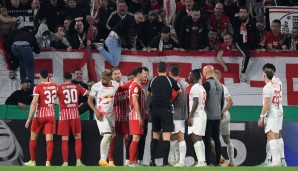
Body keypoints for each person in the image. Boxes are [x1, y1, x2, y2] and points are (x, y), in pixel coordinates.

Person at [87, 69, 131, 167]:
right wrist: (96, 111)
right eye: (102, 78)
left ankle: (107, 161)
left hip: (112, 115)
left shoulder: (116, 85)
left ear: (110, 78)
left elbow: (123, 92)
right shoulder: (96, 86)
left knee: (111, 137)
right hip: (101, 114)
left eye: (105, 79)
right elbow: (89, 101)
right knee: (107, 135)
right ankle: (102, 159)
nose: (103, 81)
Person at [147, 61, 181, 166]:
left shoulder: (152, 80)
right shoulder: (170, 80)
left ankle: (152, 161)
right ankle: (165, 162)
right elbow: (179, 91)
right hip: (166, 110)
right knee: (166, 136)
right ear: (166, 70)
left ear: (157, 70)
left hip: (154, 110)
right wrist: (170, 97)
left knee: (155, 135)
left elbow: (148, 93)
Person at [24, 69, 57, 166]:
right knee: (49, 139)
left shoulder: (37, 87)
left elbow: (34, 102)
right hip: (50, 115)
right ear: (48, 76)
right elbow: (54, 97)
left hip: (39, 116)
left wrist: (28, 119)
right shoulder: (54, 86)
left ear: (39, 77)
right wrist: (52, 84)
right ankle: (48, 162)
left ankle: (33, 161)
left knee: (33, 137)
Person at [57, 72, 89, 166]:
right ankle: (78, 162)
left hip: (64, 116)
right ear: (71, 78)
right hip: (75, 115)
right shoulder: (77, 86)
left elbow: (52, 96)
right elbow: (89, 93)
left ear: (63, 79)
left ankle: (65, 163)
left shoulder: (59, 87)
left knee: (64, 140)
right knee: (78, 138)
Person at [260, 63, 286, 167]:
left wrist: (262, 116)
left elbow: (267, 103)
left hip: (273, 111)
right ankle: (281, 160)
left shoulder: (268, 86)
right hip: (279, 109)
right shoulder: (278, 81)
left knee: (271, 135)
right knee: (278, 135)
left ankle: (275, 161)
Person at [202, 65, 224, 166]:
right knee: (216, 140)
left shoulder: (206, 84)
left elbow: (203, 100)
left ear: (206, 72)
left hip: (208, 116)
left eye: (203, 71)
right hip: (217, 116)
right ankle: (218, 163)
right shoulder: (220, 84)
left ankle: (208, 162)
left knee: (207, 140)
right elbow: (222, 101)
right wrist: (220, 112)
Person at [108, 68, 130, 167]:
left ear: (121, 74)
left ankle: (128, 160)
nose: (117, 75)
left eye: (118, 73)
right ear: (112, 76)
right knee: (112, 138)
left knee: (127, 138)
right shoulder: (110, 87)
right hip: (114, 118)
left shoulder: (126, 85)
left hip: (125, 117)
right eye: (115, 74)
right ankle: (110, 161)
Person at [168, 64, 188, 167]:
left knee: (178, 137)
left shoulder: (174, 84)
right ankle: (174, 160)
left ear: (169, 73)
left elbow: (171, 98)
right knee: (174, 137)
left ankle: (180, 161)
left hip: (176, 114)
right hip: (184, 113)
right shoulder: (185, 83)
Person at [213, 70, 235, 166]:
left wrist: (220, 112)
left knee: (209, 139)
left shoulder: (214, 87)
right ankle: (232, 162)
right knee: (227, 140)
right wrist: (224, 111)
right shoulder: (224, 87)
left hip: (218, 116)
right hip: (226, 115)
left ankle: (220, 157)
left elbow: (230, 102)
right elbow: (230, 102)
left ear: (214, 77)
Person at [232, 7, 259, 82]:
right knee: (247, 55)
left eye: (244, 12)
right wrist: (236, 18)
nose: (242, 14)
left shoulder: (251, 22)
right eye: (241, 12)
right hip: (239, 42)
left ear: (247, 13)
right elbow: (234, 26)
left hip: (248, 42)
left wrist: (257, 46)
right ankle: (242, 72)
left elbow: (256, 34)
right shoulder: (236, 21)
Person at [187, 69, 207, 167]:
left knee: (194, 136)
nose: (188, 77)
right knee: (199, 138)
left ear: (194, 77)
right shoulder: (202, 87)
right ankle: (202, 161)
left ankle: (201, 162)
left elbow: (196, 102)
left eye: (190, 75)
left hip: (197, 115)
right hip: (202, 114)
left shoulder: (194, 87)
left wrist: (190, 116)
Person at [128, 67, 147, 166]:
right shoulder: (135, 85)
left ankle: (134, 161)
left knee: (137, 138)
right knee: (135, 138)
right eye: (143, 73)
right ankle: (131, 161)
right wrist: (139, 116)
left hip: (137, 115)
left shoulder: (137, 85)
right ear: (138, 74)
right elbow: (135, 101)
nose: (144, 75)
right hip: (135, 115)